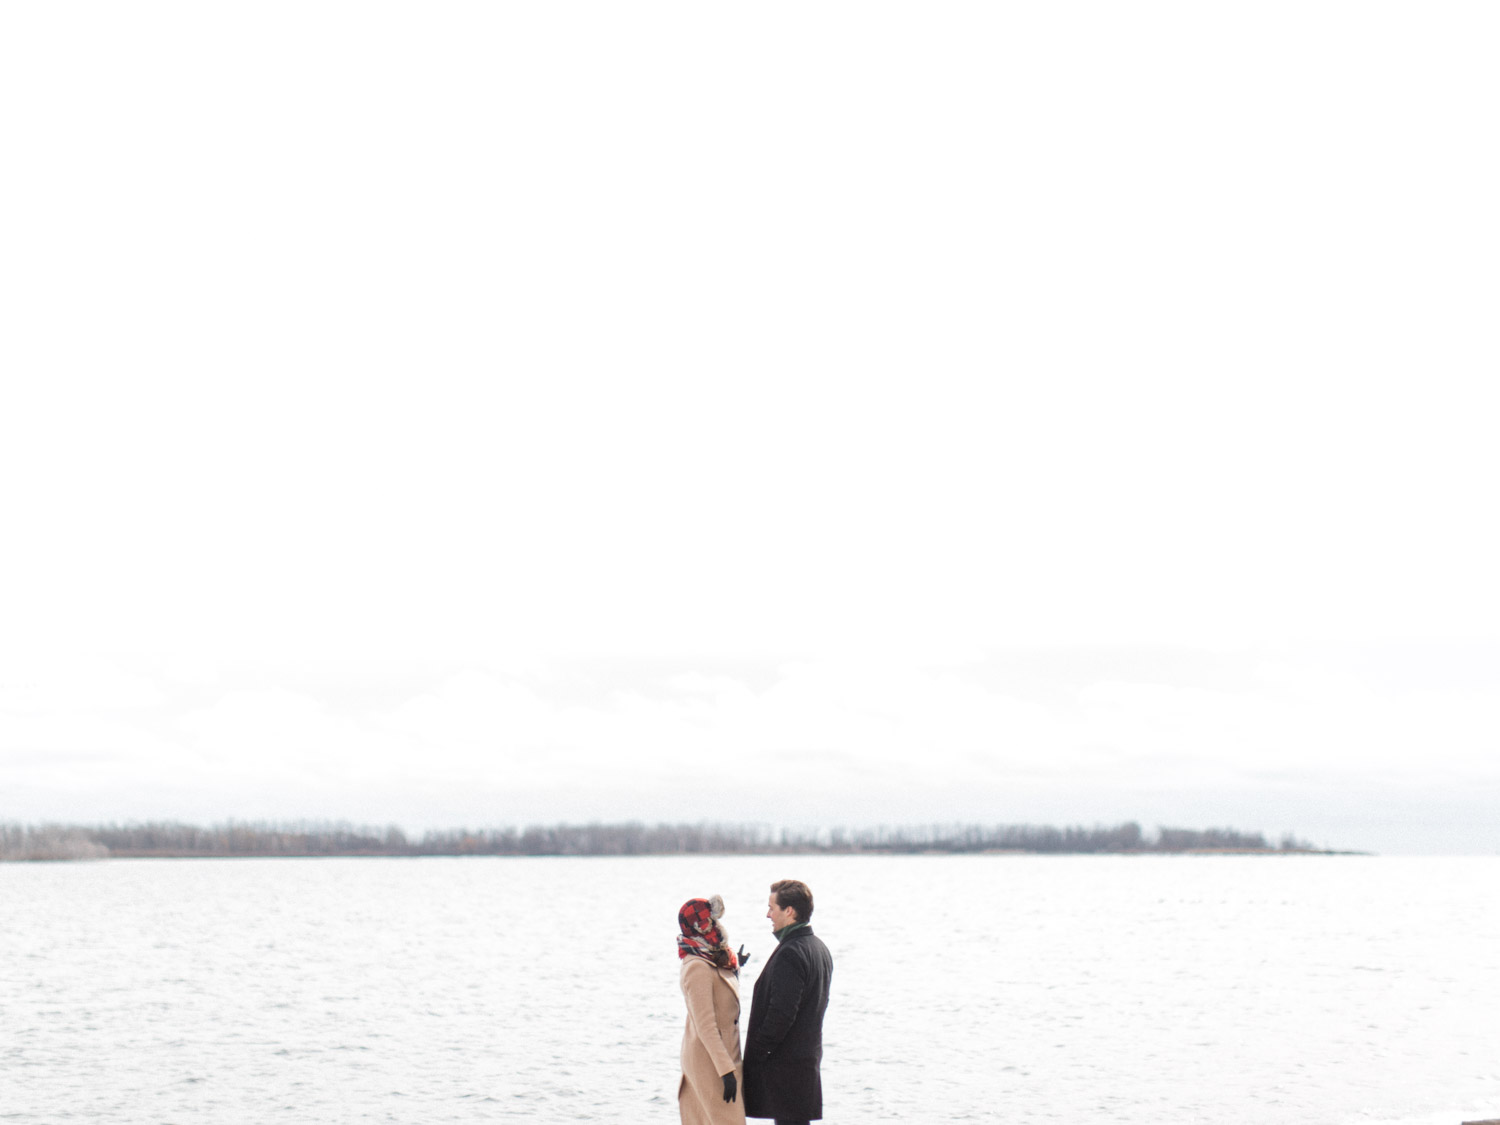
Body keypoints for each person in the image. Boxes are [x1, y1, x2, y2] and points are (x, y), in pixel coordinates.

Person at [743, 879, 834, 1125]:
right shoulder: (819, 948)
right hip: (805, 1065)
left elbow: (781, 1014)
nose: (768, 914)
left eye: (772, 908)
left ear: (789, 911)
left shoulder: (791, 953)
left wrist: (756, 1055)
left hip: (787, 1071)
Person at [678, 895, 751, 1125]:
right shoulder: (697, 967)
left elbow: (720, 990)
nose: (716, 925)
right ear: (699, 927)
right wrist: (726, 1071)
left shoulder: (713, 957)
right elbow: (705, 1026)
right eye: (710, 921)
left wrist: (736, 964)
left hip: (723, 1056)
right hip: (711, 1061)